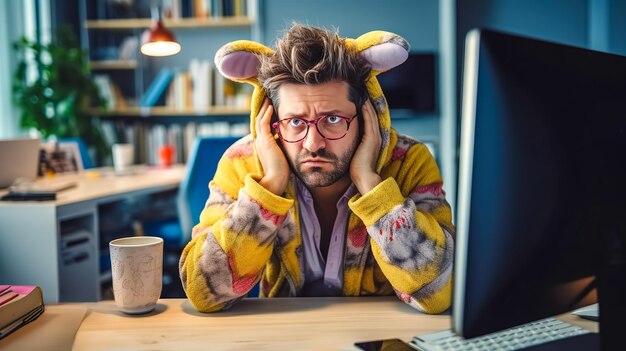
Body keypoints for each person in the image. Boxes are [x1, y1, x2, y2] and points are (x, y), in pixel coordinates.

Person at [179, 23, 455, 314]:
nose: (313, 143)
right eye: (295, 122)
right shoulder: (242, 162)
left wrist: (374, 189)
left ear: (366, 117)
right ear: (272, 123)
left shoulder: (409, 161)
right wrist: (269, 188)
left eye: (333, 119)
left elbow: (440, 294)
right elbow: (203, 294)